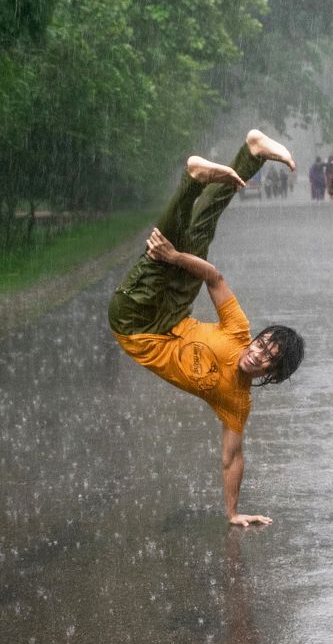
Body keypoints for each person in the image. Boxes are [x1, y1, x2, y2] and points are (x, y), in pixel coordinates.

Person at [108, 129, 305, 527]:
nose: (258, 353)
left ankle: (193, 181)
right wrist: (178, 258)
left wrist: (233, 512)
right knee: (194, 239)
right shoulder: (238, 332)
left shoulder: (237, 402)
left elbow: (232, 457)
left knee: (165, 247)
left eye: (268, 358)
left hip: (133, 323)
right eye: (263, 344)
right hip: (172, 314)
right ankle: (251, 153)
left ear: (271, 373)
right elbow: (213, 279)